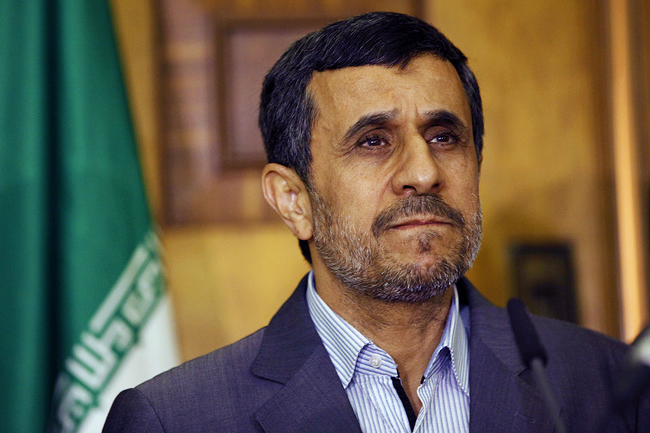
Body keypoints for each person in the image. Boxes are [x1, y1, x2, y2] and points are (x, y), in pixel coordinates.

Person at [103, 12, 649, 432]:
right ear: (293, 200)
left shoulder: (605, 382)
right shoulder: (177, 418)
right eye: (373, 142)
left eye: (444, 137)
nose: (423, 173)